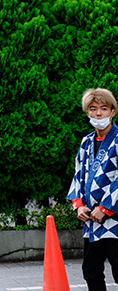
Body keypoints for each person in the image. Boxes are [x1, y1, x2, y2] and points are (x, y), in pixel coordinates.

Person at [67, 88, 118, 291]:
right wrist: (78, 205)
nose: (98, 114)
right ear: (87, 112)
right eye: (93, 109)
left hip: (113, 219)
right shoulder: (86, 142)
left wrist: (105, 208)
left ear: (113, 111)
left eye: (104, 109)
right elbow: (78, 176)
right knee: (91, 271)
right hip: (91, 220)